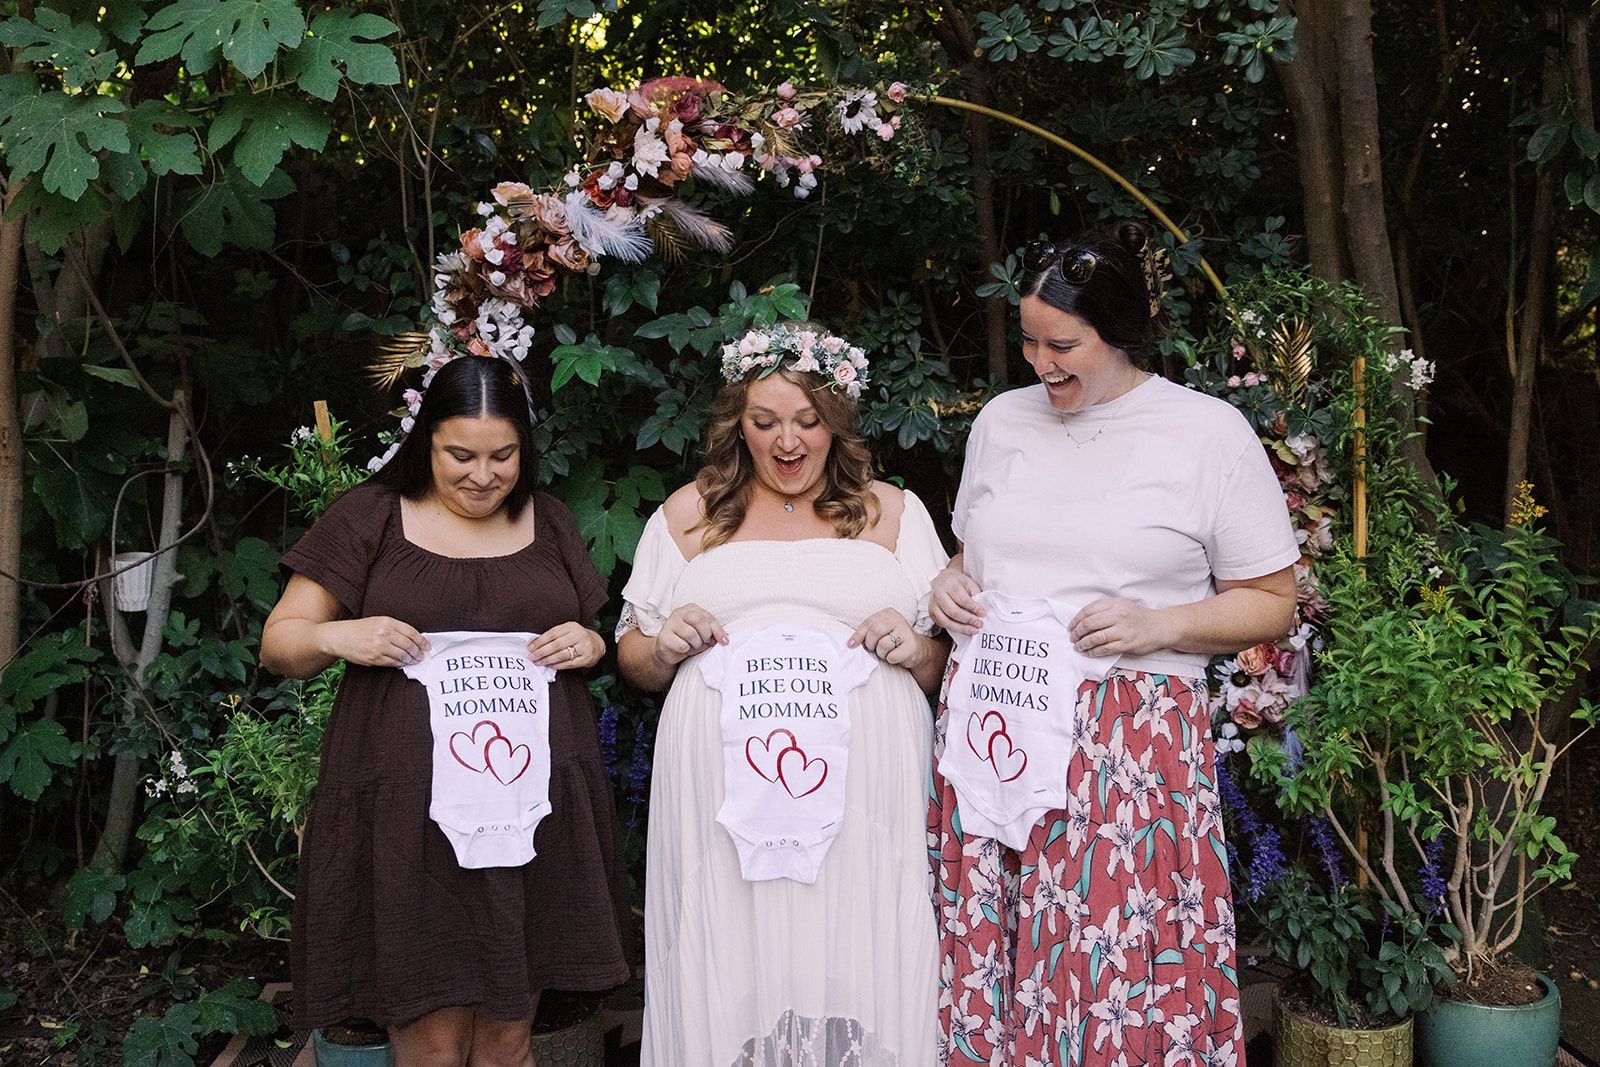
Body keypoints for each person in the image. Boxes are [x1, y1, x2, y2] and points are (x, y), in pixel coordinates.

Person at [927, 224, 1299, 1067]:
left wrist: (1159, 623)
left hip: (1127, 746)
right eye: (1027, 340)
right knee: (1003, 951)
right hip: (998, 729)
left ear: (1120, 333)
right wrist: (947, 583)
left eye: (1063, 344)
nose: (1039, 362)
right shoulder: (1000, 422)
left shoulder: (1207, 433)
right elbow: (980, 550)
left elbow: (1273, 602)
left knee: (1120, 961)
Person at [260, 355, 630, 1067]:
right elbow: (281, 642)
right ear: (424, 440)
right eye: (460, 454)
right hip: (408, 819)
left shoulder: (547, 520)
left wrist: (587, 642)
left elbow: (597, 634)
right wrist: (342, 634)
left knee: (508, 1042)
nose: (483, 475)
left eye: (503, 456)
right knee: (428, 1048)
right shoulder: (370, 516)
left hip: (527, 815)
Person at [616, 322, 950, 1067]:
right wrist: (664, 645)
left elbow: (946, 666)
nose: (788, 442)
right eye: (765, 422)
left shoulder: (894, 513)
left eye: (808, 422)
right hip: (722, 805)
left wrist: (920, 649)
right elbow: (633, 658)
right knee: (733, 950)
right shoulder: (687, 514)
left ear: (838, 423)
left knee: (861, 940)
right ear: (738, 422)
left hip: (870, 802)